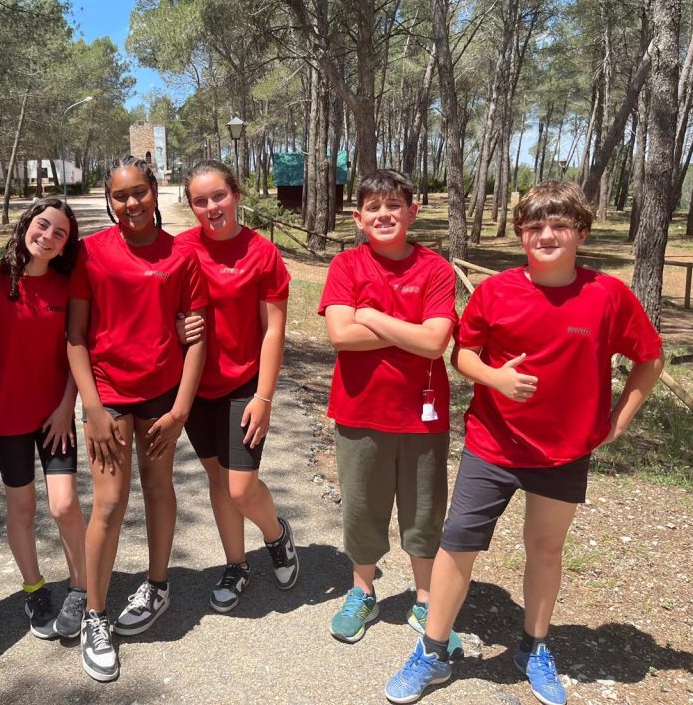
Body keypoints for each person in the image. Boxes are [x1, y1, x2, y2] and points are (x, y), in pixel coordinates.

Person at [385, 181, 664, 705]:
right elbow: (463, 354)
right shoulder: (496, 291)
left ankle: (533, 648)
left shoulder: (607, 295)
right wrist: (496, 379)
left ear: (582, 233)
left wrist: (620, 420)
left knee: (546, 547)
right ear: (520, 235)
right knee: (458, 543)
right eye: (534, 226)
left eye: (560, 225)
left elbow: (650, 357)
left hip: (564, 450)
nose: (546, 235)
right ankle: (432, 652)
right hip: (493, 443)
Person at [67, 156, 208, 682]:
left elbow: (197, 336)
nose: (131, 204)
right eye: (120, 196)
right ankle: (95, 616)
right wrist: (92, 408)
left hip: (161, 395)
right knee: (108, 503)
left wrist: (180, 411)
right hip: (107, 395)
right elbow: (75, 336)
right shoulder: (91, 252)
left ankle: (157, 585)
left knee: (158, 487)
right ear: (110, 201)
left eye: (139, 193)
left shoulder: (182, 255)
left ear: (155, 190)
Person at [317, 169, 457, 646]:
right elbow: (341, 335)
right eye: (373, 207)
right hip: (359, 412)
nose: (384, 215)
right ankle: (363, 592)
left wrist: (373, 315)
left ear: (412, 212)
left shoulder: (435, 269)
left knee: (424, 512)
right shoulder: (346, 266)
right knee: (362, 508)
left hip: (423, 415)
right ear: (358, 218)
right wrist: (410, 330)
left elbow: (436, 343)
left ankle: (425, 600)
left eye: (394, 205)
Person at [175, 159, 299, 613]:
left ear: (236, 196)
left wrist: (264, 397)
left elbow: (273, 330)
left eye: (219, 196)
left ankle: (277, 535)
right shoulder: (181, 248)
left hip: (244, 384)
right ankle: (236, 564)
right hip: (195, 386)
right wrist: (175, 326)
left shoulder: (262, 253)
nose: (211, 207)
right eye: (200, 200)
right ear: (191, 206)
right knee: (218, 480)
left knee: (241, 487)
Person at [0, 198, 88, 641]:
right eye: (42, 225)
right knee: (22, 508)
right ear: (26, 224)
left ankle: (81, 588)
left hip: (56, 417)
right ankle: (34, 589)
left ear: (66, 245)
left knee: (64, 505)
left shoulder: (67, 286)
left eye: (59, 233)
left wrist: (68, 406)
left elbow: (78, 348)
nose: (47, 237)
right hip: (8, 417)